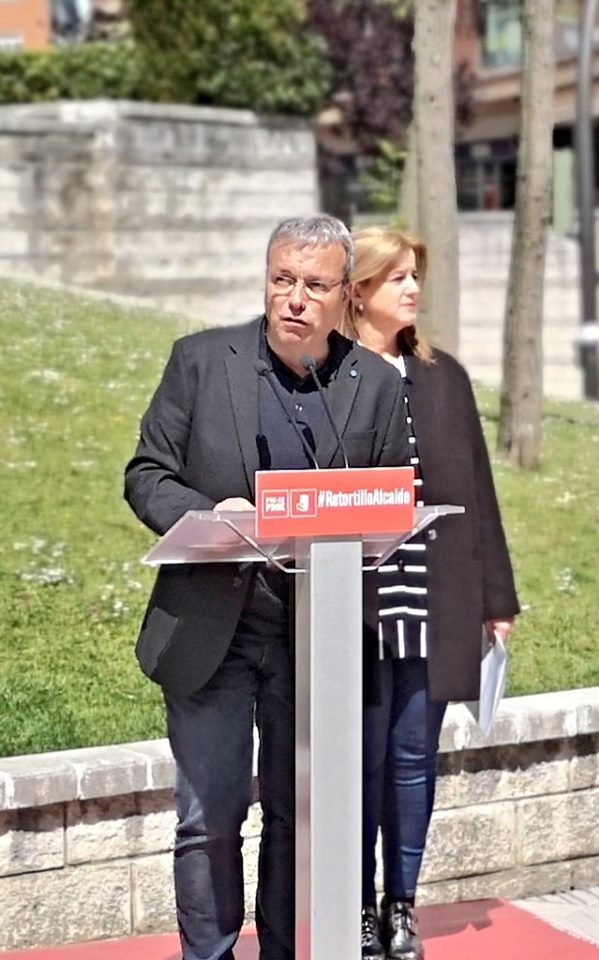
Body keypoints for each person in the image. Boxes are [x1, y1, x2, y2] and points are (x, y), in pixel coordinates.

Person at [124, 215, 409, 960]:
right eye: (282, 279)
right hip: (212, 630)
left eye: (314, 286)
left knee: (296, 818)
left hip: (312, 635)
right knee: (210, 817)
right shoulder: (199, 361)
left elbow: (389, 499)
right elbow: (145, 472)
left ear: (345, 295)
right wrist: (205, 512)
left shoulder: (374, 385)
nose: (294, 299)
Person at [340, 226, 520, 960]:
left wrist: (496, 600)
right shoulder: (328, 375)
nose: (414, 290)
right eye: (398, 279)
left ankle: (401, 906)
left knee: (416, 757)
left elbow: (478, 489)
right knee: (362, 759)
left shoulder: (444, 376)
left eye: (417, 276)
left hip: (433, 596)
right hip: (355, 602)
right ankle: (352, 906)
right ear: (358, 293)